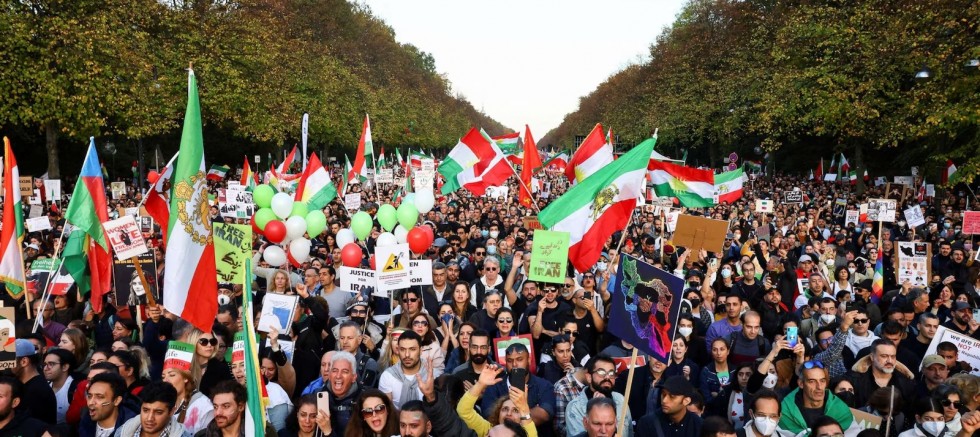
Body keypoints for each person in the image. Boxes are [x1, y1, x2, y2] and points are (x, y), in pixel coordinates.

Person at [480, 343, 555, 435]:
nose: (514, 364)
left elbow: (544, 414)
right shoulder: (494, 386)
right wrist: (525, 413)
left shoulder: (544, 386)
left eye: (519, 359)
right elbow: (489, 415)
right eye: (510, 360)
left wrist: (507, 415)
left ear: (529, 360)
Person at [457, 363, 537, 437]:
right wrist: (480, 384)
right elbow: (464, 411)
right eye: (505, 409)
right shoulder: (488, 429)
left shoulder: (526, 434)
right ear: (498, 413)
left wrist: (524, 409)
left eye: (516, 410)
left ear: (522, 417)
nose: (509, 413)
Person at [778, 361, 858, 435]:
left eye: (822, 381)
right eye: (812, 381)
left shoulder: (840, 410)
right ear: (801, 383)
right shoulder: (785, 412)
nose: (819, 387)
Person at [564, 355, 633, 437]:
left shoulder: (620, 399)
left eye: (611, 373)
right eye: (601, 372)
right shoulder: (574, 407)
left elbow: (629, 433)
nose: (607, 377)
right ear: (589, 377)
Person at [379, 331, 437, 409]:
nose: (407, 355)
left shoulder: (433, 375)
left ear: (420, 350)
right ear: (398, 350)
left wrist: (430, 396)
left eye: (412, 349)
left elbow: (439, 412)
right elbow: (387, 411)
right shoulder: (388, 376)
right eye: (402, 349)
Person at [636, 376, 702, 437]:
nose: (664, 400)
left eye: (672, 397)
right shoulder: (647, 423)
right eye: (663, 394)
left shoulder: (699, 426)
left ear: (686, 401)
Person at [12, 339, 57, 425]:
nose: (5, 364)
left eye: (10, 359)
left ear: (24, 362)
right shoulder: (21, 383)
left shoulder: (38, 391)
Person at [116, 381, 185, 437]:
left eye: (158, 412)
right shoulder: (122, 432)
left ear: (172, 411)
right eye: (145, 410)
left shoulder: (182, 435)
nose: (149, 418)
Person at [80, 372, 138, 437]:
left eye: (99, 397)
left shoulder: (134, 429)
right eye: (89, 396)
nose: (91, 402)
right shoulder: (84, 422)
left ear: (116, 401)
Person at [42, 348, 79, 425]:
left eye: (51, 364)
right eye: (45, 364)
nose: (45, 368)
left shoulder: (75, 389)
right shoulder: (43, 386)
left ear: (65, 367)